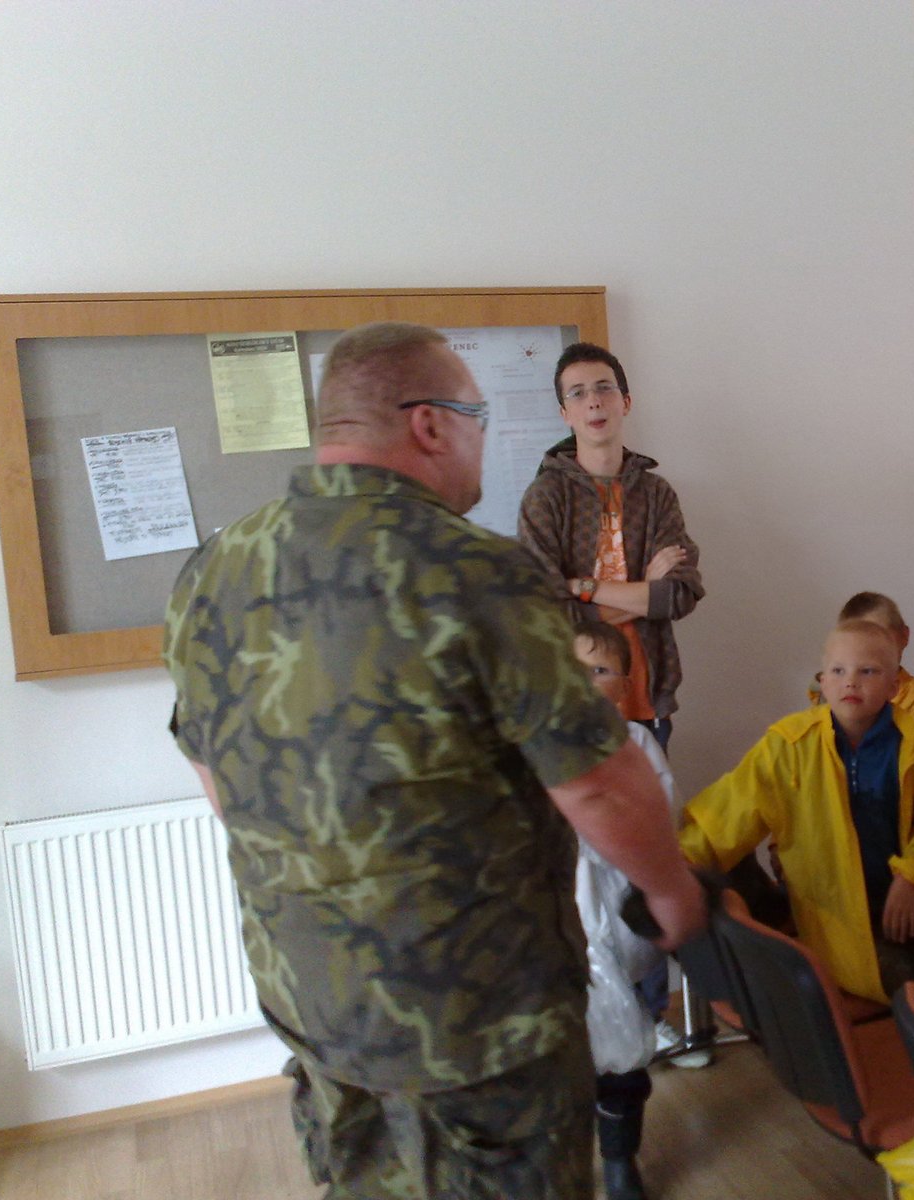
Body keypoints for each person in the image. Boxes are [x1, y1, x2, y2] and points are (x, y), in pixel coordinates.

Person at [163, 321, 706, 1200]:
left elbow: (218, 777)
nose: (482, 439)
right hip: (478, 1025)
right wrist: (672, 889)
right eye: (476, 417)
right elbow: (600, 783)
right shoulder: (478, 573)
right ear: (428, 424)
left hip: (317, 1005)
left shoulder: (215, 570)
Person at [681, 620, 914, 1048]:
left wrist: (913, 877)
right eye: (838, 671)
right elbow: (724, 814)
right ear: (822, 681)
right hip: (824, 919)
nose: (850, 681)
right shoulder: (788, 747)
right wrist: (671, 870)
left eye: (867, 671)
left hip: (890, 917)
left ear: (894, 686)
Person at [518, 341, 704, 752]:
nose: (593, 402)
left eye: (604, 388)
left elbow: (678, 594)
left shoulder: (656, 494)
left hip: (647, 696)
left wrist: (581, 588)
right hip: (571, 700)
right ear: (565, 413)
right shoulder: (544, 497)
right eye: (577, 393)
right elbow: (542, 610)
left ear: (626, 401)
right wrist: (644, 592)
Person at [571, 621, 685, 1200]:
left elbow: (663, 818)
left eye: (600, 670)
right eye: (575, 669)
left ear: (624, 684)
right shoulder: (538, 746)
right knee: (565, 1054)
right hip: (564, 928)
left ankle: (620, 1156)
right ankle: (566, 1160)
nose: (586, 681)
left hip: (623, 918)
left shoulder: (638, 745)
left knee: (623, 1057)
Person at [810, 592, 914, 734]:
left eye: (881, 638)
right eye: (857, 643)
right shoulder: (832, 688)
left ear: (904, 636)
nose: (868, 652)